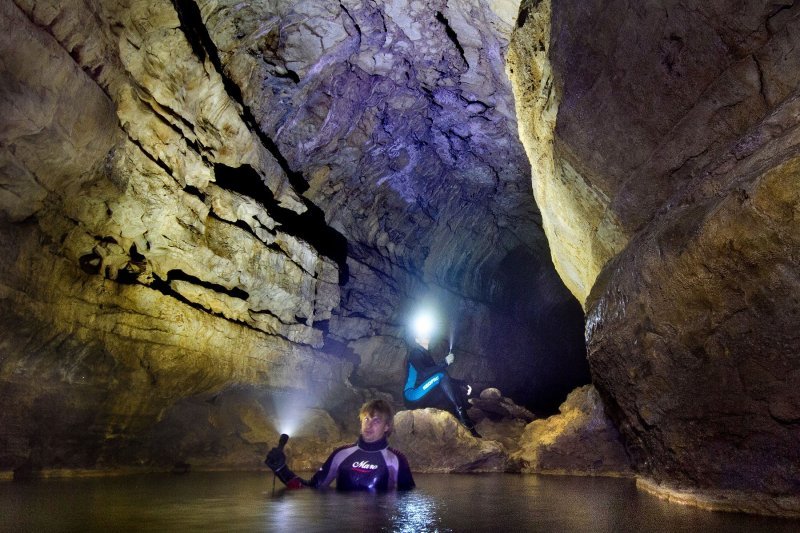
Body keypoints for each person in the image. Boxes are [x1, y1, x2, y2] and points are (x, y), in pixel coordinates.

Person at [264, 399, 415, 491]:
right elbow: (310, 489)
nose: (369, 425)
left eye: (376, 421)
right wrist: (281, 469)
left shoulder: (396, 460)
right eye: (366, 419)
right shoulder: (341, 454)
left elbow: (409, 500)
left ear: (387, 427)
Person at [403, 330, 481, 438]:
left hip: (423, 394)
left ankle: (464, 420)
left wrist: (461, 383)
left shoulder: (427, 356)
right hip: (412, 395)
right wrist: (445, 362)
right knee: (441, 375)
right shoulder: (415, 353)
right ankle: (464, 421)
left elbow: (442, 379)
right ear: (417, 339)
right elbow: (424, 373)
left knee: (450, 386)